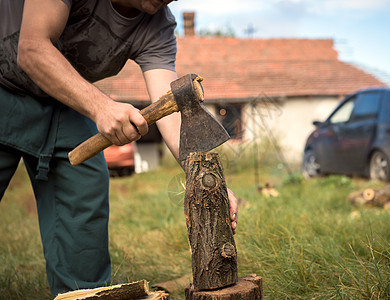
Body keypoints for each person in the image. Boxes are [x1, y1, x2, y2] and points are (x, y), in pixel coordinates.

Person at [0, 0, 238, 297]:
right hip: (4, 87)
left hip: (64, 102)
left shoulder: (158, 26)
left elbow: (173, 111)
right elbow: (32, 48)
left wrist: (211, 185)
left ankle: (83, 292)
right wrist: (100, 106)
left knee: (86, 192)